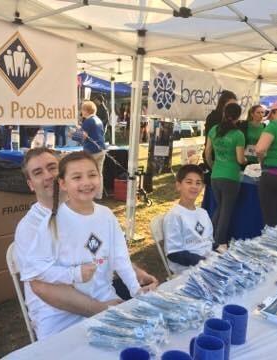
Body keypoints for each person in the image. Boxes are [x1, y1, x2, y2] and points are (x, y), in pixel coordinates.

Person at [15, 148, 158, 340]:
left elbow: (108, 254)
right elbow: (40, 286)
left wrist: (137, 275)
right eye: (38, 172)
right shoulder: (32, 227)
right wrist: (101, 309)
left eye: (52, 167)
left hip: (103, 298)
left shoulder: (101, 214)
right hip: (59, 315)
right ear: (31, 184)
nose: (48, 175)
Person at [204, 103, 246, 247]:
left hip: (216, 175)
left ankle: (207, 237)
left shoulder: (214, 130)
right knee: (225, 211)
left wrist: (212, 166)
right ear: (238, 116)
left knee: (220, 208)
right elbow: (240, 160)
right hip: (231, 177)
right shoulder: (238, 135)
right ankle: (219, 242)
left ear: (224, 113)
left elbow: (207, 152)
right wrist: (246, 159)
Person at [163, 164, 214, 274]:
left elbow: (207, 241)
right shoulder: (175, 216)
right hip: (189, 270)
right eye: (189, 182)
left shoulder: (203, 213)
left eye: (198, 183)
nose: (194, 186)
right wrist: (204, 261)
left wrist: (219, 249)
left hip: (208, 264)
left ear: (202, 187)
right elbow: (174, 253)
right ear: (178, 185)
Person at [69, 101, 106, 198]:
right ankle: (98, 195)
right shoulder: (98, 120)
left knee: (88, 173)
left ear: (85, 111)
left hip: (91, 151)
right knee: (99, 174)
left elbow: (83, 136)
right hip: (101, 149)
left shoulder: (88, 121)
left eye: (82, 110)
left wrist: (72, 135)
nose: (82, 112)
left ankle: (89, 194)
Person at [203, 90, 238, 165]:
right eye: (231, 105)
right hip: (213, 157)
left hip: (226, 158)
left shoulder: (232, 118)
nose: (233, 108)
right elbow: (211, 140)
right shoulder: (213, 117)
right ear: (223, 104)